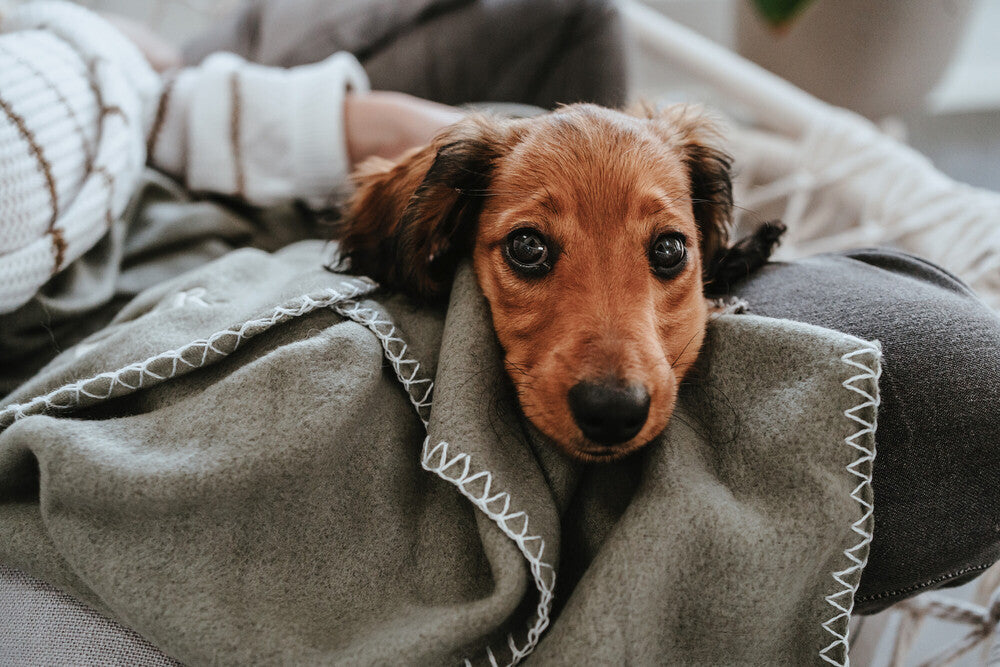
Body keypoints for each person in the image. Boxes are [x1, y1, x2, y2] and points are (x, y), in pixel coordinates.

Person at [0, 0, 997, 622]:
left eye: (667, 254)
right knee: (967, 383)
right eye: (529, 252)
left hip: (139, 103)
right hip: (118, 176)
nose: (616, 364)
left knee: (579, 18)